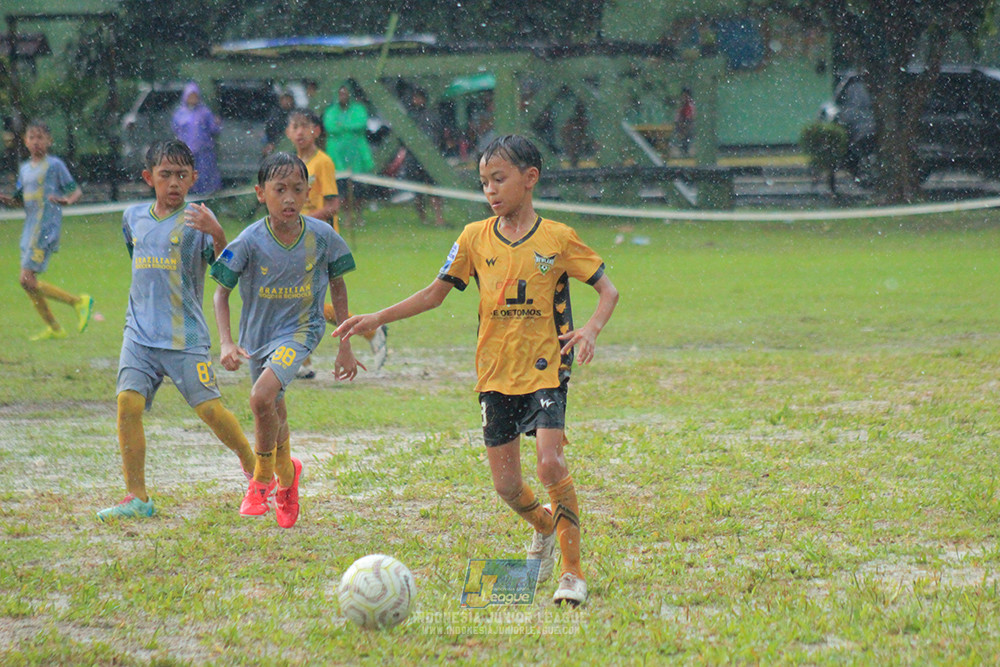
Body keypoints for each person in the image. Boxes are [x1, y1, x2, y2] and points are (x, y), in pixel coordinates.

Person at [334, 135, 619, 606]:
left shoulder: (558, 238)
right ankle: (544, 525)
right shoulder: (473, 237)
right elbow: (434, 294)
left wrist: (590, 329)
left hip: (546, 368)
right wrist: (377, 318)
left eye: (499, 179)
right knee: (506, 486)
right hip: (494, 372)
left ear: (530, 178)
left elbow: (608, 290)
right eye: (484, 181)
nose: (490, 190)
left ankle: (572, 573)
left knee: (550, 463)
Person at [98, 140, 257, 521]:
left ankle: (255, 468)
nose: (174, 183)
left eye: (182, 175)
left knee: (211, 410)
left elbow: (225, 271)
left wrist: (217, 233)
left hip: (184, 337)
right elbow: (138, 257)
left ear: (193, 178)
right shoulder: (132, 217)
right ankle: (137, 497)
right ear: (148, 177)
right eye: (165, 174)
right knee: (127, 404)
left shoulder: (198, 221)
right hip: (138, 335)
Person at [211, 152, 362, 529]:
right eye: (280, 190)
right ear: (260, 193)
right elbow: (220, 293)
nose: (290, 198)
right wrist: (227, 342)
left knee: (261, 398)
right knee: (273, 411)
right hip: (257, 337)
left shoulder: (323, 236)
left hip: (301, 330)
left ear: (309, 192)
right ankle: (288, 478)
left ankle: (261, 480)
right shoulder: (249, 240)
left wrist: (344, 345)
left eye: (297, 189)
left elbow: (339, 286)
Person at [285, 109, 389, 376]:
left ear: (317, 131)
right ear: (288, 132)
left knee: (302, 301)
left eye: (305, 125)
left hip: (320, 239)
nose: (299, 131)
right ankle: (305, 361)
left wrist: (301, 219)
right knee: (299, 300)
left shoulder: (323, 162)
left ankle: (368, 331)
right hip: (298, 239)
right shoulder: (292, 165)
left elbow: (333, 206)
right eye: (294, 126)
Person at [0, 120, 93, 341]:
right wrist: (6, 199)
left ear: (49, 141)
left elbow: (75, 191)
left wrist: (68, 200)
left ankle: (78, 302)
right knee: (28, 283)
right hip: (29, 229)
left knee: (26, 279)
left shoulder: (55, 165)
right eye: (32, 137)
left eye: (40, 137)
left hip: (44, 228)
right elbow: (20, 201)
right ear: (25, 141)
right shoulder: (24, 169)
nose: (36, 142)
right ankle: (54, 328)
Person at [323, 85, 375, 228]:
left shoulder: (358, 109)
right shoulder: (331, 111)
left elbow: (360, 124)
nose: (343, 96)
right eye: (340, 94)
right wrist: (349, 127)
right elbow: (330, 126)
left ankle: (359, 215)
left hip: (356, 154)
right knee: (341, 189)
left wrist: (342, 126)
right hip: (337, 155)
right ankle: (346, 216)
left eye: (345, 93)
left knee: (358, 188)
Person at [402, 88, 447, 227]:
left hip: (431, 157)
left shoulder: (432, 116)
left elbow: (440, 135)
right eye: (415, 98)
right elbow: (403, 138)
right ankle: (423, 218)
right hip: (414, 158)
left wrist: (437, 150)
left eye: (419, 97)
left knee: (435, 189)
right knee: (418, 191)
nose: (417, 100)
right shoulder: (410, 116)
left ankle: (438, 218)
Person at [172, 82, 222, 194]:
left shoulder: (205, 112)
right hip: (185, 152)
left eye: (195, 96)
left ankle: (205, 196)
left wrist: (217, 123)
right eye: (190, 96)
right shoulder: (180, 113)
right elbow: (176, 129)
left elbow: (214, 129)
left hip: (204, 151)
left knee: (204, 175)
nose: (193, 99)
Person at [263, 92, 296, 156]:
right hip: (276, 141)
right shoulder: (275, 113)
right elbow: (270, 128)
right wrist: (272, 142)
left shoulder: (294, 114)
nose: (287, 102)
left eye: (289, 99)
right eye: (285, 99)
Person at [674, 87, 696, 157]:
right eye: (683, 96)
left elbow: (690, 117)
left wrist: (685, 126)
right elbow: (677, 117)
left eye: (686, 96)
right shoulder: (681, 105)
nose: (684, 97)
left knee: (686, 140)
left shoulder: (689, 105)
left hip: (687, 126)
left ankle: (685, 152)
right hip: (681, 126)